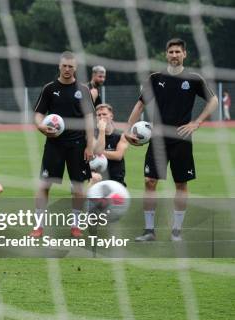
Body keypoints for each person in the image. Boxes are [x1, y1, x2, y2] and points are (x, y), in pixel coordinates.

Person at [124, 38, 218, 242]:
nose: (174, 55)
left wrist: (197, 122)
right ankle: (149, 231)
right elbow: (140, 105)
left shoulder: (194, 79)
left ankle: (176, 230)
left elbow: (213, 100)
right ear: (166, 54)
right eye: (171, 52)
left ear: (185, 54)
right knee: (149, 182)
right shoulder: (155, 78)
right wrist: (127, 130)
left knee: (181, 184)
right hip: (157, 139)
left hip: (181, 138)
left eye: (178, 52)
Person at [31, 51, 95, 239]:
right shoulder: (49, 89)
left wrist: (90, 145)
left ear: (75, 68)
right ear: (59, 66)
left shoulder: (83, 90)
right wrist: (40, 126)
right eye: (64, 66)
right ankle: (38, 226)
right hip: (54, 144)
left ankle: (75, 226)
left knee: (78, 188)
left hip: (77, 145)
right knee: (45, 185)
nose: (67, 69)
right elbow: (38, 114)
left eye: (71, 66)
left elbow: (90, 119)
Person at [91, 103, 128, 186]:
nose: (101, 117)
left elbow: (118, 156)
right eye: (98, 115)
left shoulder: (121, 135)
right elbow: (97, 151)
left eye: (104, 114)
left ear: (111, 116)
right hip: (98, 179)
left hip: (117, 179)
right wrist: (101, 131)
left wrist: (98, 152)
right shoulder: (92, 135)